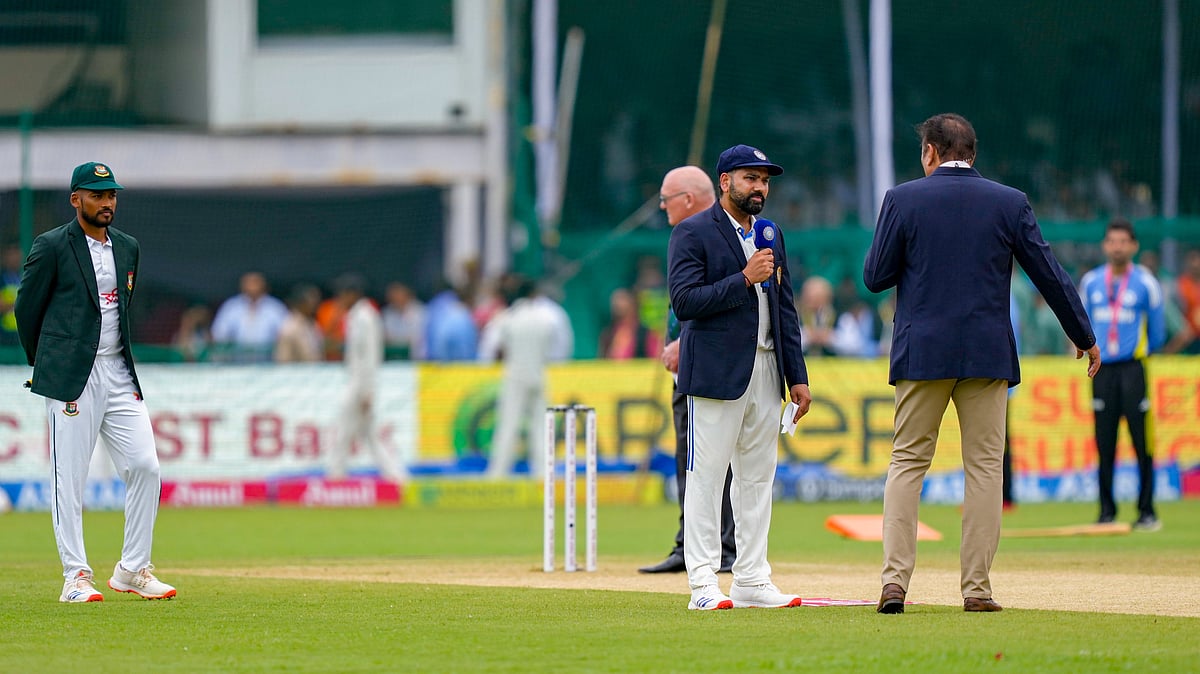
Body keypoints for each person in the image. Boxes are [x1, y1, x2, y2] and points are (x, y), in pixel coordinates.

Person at [864, 114, 1099, 615]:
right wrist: (1083, 334)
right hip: (986, 351)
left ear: (930, 150)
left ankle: (894, 584)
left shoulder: (902, 199)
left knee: (907, 463)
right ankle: (977, 589)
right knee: (986, 469)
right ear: (972, 152)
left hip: (922, 350)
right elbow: (1048, 273)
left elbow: (876, 277)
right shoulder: (1009, 202)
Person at [14, 161, 176, 602]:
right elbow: (26, 311)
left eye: (111, 196)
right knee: (71, 477)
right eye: (97, 195)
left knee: (146, 467)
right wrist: (48, 364)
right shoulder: (51, 246)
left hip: (119, 372)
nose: (107, 203)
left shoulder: (128, 247)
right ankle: (75, 577)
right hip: (71, 377)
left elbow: (121, 310)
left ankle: (132, 569)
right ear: (75, 199)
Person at [667, 145, 811, 610]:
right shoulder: (692, 232)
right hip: (715, 372)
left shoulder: (770, 233)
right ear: (725, 181)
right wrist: (744, 279)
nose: (760, 188)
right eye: (751, 178)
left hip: (767, 370)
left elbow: (784, 307)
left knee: (757, 479)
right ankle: (704, 583)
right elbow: (685, 303)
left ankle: (751, 578)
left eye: (765, 181)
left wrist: (797, 376)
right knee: (706, 477)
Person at [638, 165, 736, 575]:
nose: (662, 206)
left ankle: (724, 548)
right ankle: (691, 544)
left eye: (667, 198)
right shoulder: (691, 234)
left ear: (690, 199)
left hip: (714, 365)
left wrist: (686, 340)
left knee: (719, 461)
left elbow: (726, 296)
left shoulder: (717, 234)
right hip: (688, 368)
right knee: (689, 459)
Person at [1078, 218, 1165, 531]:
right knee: (1104, 441)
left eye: (1123, 241)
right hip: (1100, 369)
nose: (1117, 247)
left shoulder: (1146, 282)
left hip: (1133, 369)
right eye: (1112, 241)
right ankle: (1106, 512)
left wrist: (1139, 354)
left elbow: (1157, 332)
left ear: (1134, 246)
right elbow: (1080, 322)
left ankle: (1147, 511)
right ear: (1105, 245)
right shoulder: (1091, 282)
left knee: (1142, 441)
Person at [482, 274, 563, 479]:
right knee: (542, 426)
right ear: (534, 294)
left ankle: (498, 473)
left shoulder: (507, 319)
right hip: (538, 375)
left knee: (508, 425)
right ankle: (543, 472)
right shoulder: (546, 320)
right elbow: (554, 350)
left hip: (515, 377)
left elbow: (494, 349)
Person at [326, 273, 406, 482]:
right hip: (357, 381)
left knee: (344, 428)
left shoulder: (365, 317)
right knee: (370, 435)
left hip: (360, 384)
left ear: (352, 294)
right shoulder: (355, 315)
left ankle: (335, 477)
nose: (340, 300)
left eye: (343, 295)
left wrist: (367, 391)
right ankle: (397, 478)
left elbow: (370, 355)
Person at [210, 271, 289, 362]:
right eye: (248, 283)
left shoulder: (275, 307)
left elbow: (286, 334)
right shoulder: (231, 307)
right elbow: (219, 334)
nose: (252, 287)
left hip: (269, 362)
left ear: (264, 286)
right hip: (236, 363)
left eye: (255, 282)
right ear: (242, 286)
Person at [274, 283, 324, 363]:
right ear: (301, 302)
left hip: (314, 372)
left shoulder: (313, 324)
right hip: (295, 373)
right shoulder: (290, 326)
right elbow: (283, 359)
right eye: (312, 300)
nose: (316, 304)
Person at [381, 282, 427, 360]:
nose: (396, 299)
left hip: (417, 358)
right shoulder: (387, 313)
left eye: (398, 295)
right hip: (393, 358)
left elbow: (416, 339)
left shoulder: (419, 312)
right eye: (393, 297)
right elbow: (385, 338)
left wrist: (397, 341)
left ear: (407, 295)